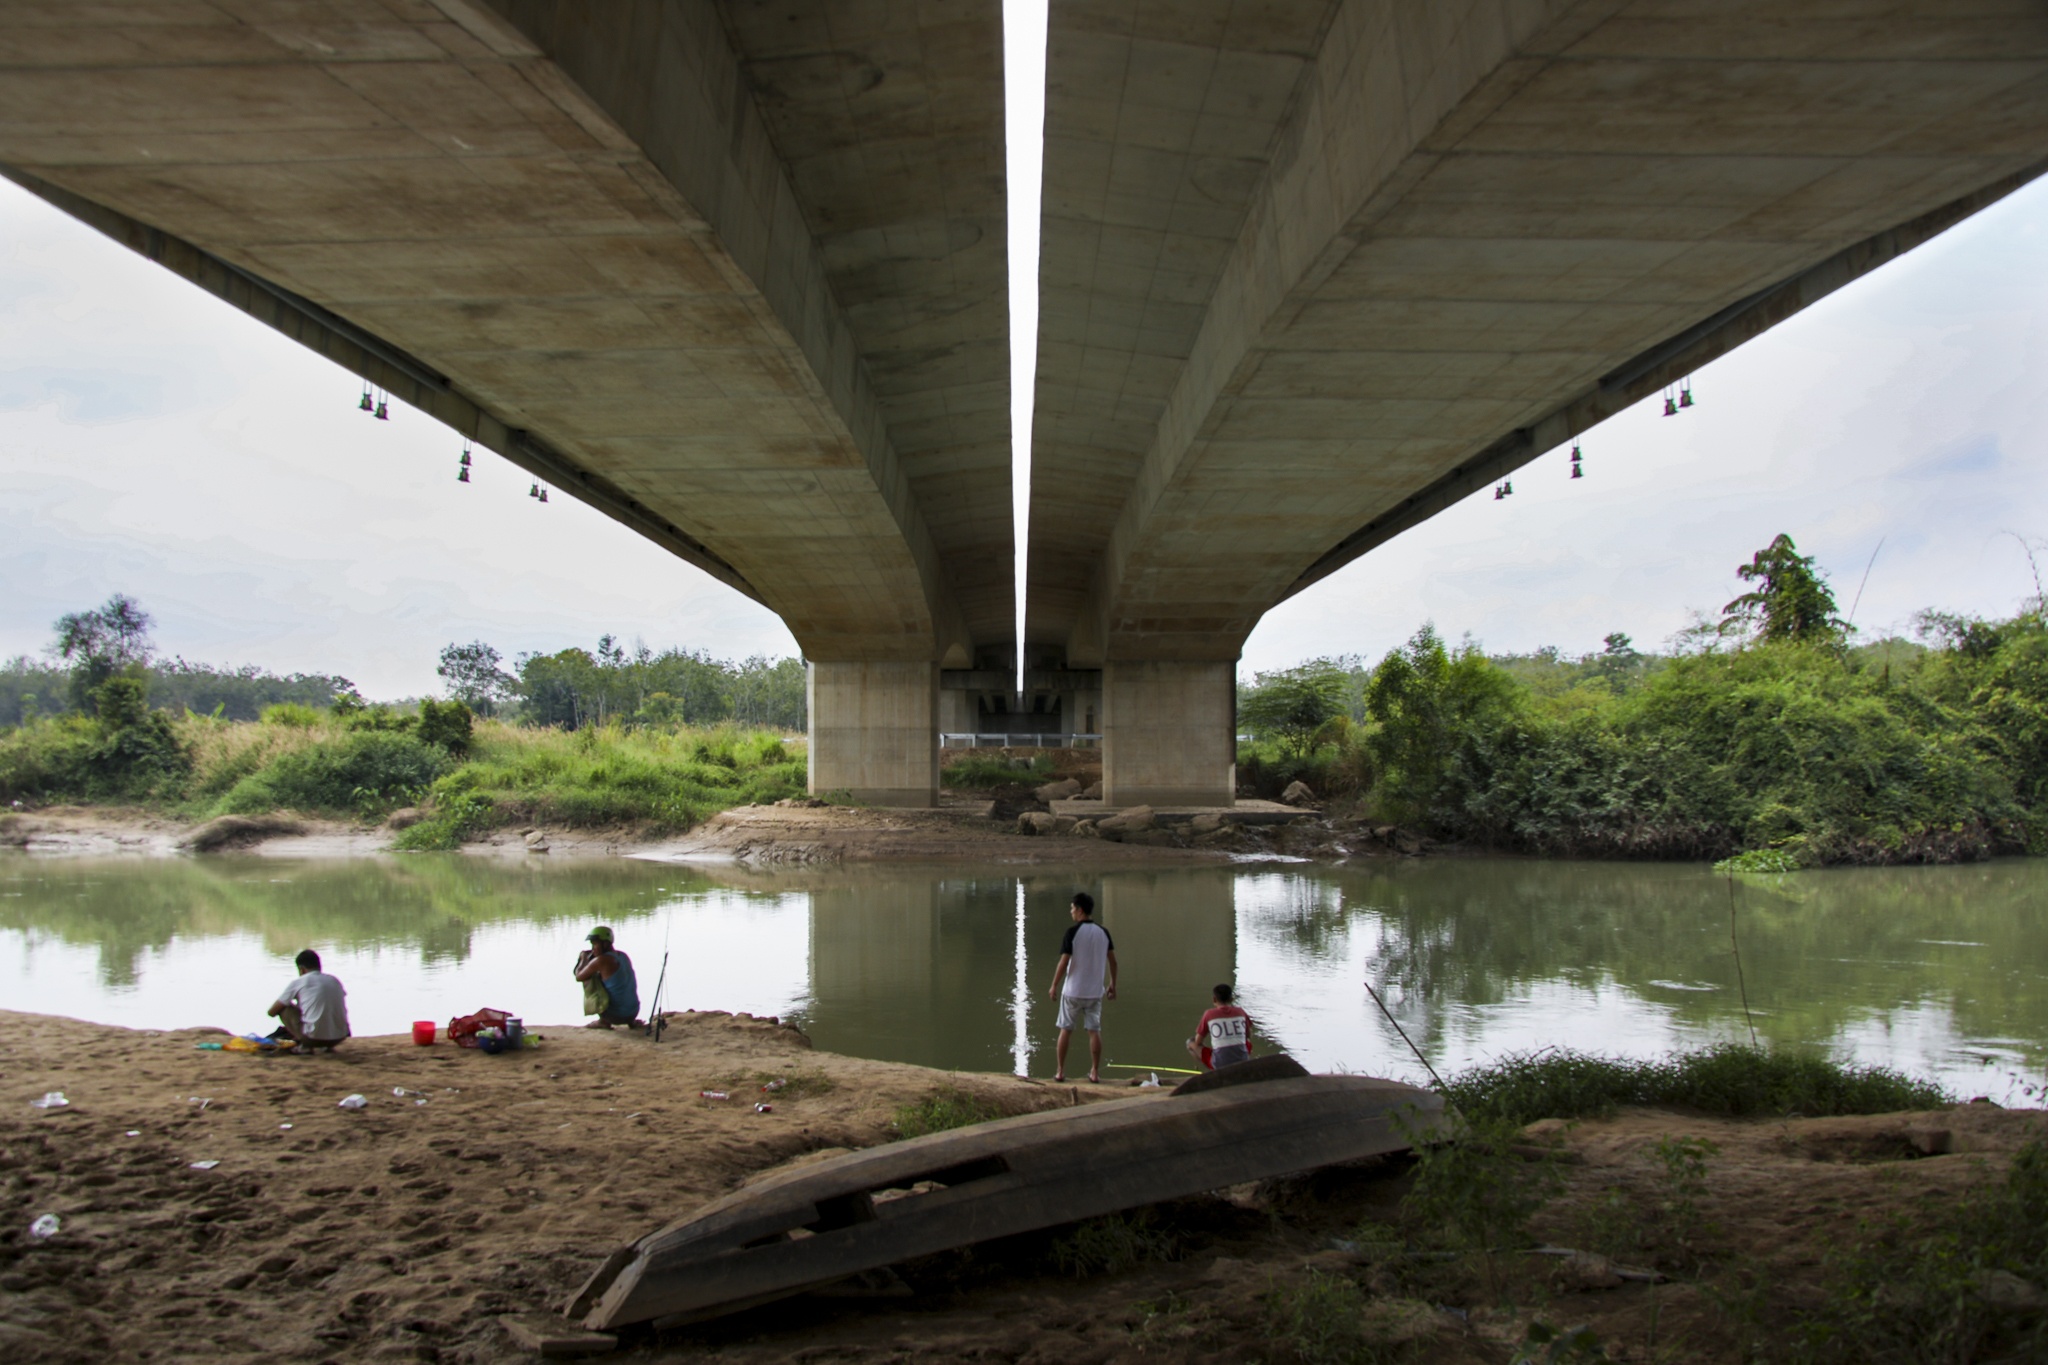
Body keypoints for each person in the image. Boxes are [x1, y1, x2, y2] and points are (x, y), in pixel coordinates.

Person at [1046, 891, 1116, 1083]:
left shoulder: (1072, 933)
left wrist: (1054, 985)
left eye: (1072, 908)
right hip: (1095, 993)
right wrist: (1113, 984)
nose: (1071, 912)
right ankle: (1094, 1072)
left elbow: (1063, 962)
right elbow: (1113, 962)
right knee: (1094, 1031)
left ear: (1080, 910)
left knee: (1065, 1030)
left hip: (1072, 991)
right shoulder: (1103, 933)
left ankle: (1060, 1071)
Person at [267, 949, 350, 1054]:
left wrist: (294, 1006)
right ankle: (326, 1047)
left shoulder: (299, 982)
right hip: (340, 1037)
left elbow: (272, 1012)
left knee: (285, 1008)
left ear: (301, 969)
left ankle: (305, 1047)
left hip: (313, 1038)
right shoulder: (334, 980)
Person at [574, 926, 640, 1029]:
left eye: (595, 944)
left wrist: (583, 958)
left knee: (589, 979)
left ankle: (603, 1021)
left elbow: (579, 977)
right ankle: (631, 1022)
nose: (593, 948)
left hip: (615, 1017)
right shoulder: (623, 955)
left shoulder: (602, 960)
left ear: (605, 943)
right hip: (633, 1013)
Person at [1186, 982, 1254, 1071]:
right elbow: (1248, 1035)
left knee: (1190, 1042)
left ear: (1214, 999)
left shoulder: (1209, 1014)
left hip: (1219, 1064)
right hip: (1243, 1061)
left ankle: (1213, 1071)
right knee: (1247, 1042)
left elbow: (1198, 1041)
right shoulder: (1240, 1012)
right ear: (1232, 999)